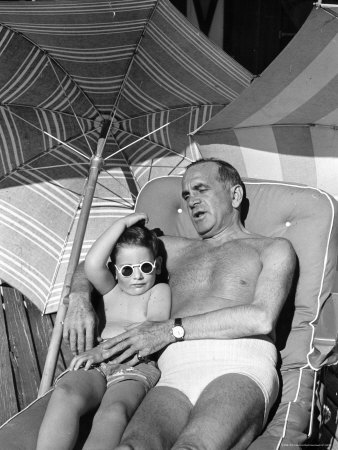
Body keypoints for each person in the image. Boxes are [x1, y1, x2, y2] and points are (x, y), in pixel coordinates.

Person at [63, 158, 297, 450]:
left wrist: (170, 330)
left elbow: (261, 318)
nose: (192, 202)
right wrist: (79, 298)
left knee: (193, 446)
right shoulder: (171, 249)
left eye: (201, 190)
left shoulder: (272, 248)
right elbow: (91, 263)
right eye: (187, 196)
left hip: (238, 363)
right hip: (172, 373)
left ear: (235, 195)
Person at [36, 214, 171, 450]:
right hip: (97, 362)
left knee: (114, 412)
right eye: (127, 270)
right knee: (65, 393)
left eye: (146, 267)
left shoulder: (158, 290)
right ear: (115, 271)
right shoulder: (110, 290)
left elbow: (151, 329)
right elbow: (91, 264)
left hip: (136, 364)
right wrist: (122, 225)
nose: (137, 276)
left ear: (157, 265)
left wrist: (101, 351)